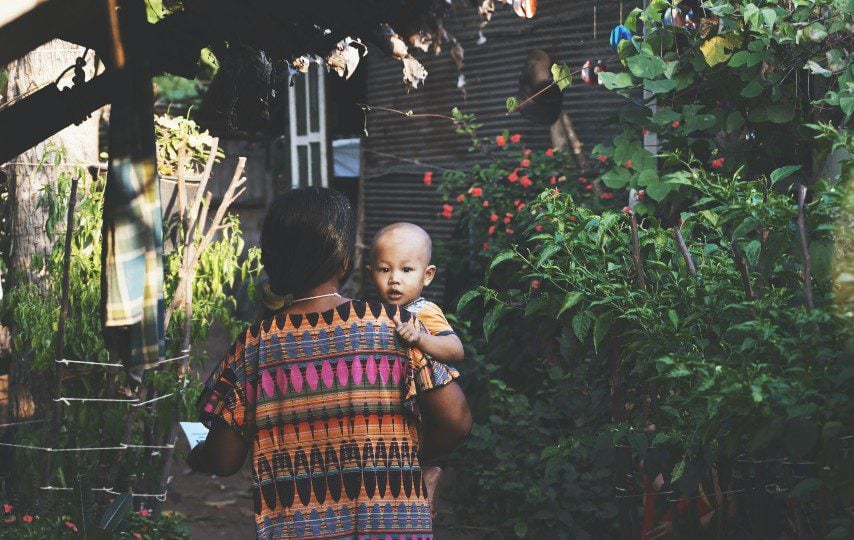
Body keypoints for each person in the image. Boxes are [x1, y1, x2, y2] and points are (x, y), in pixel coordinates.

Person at [188, 187, 472, 539]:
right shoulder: (393, 326)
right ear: (344, 262)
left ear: (272, 261)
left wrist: (196, 456)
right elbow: (456, 420)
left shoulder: (254, 347)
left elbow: (224, 459)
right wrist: (407, 464)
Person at [366, 222, 465, 506]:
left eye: (406, 270)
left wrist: (420, 338)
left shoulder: (423, 311)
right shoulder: (374, 313)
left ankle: (427, 473)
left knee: (401, 457)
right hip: (391, 403)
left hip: (423, 403)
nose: (395, 279)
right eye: (385, 270)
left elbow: (455, 348)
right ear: (371, 273)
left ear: (428, 275)